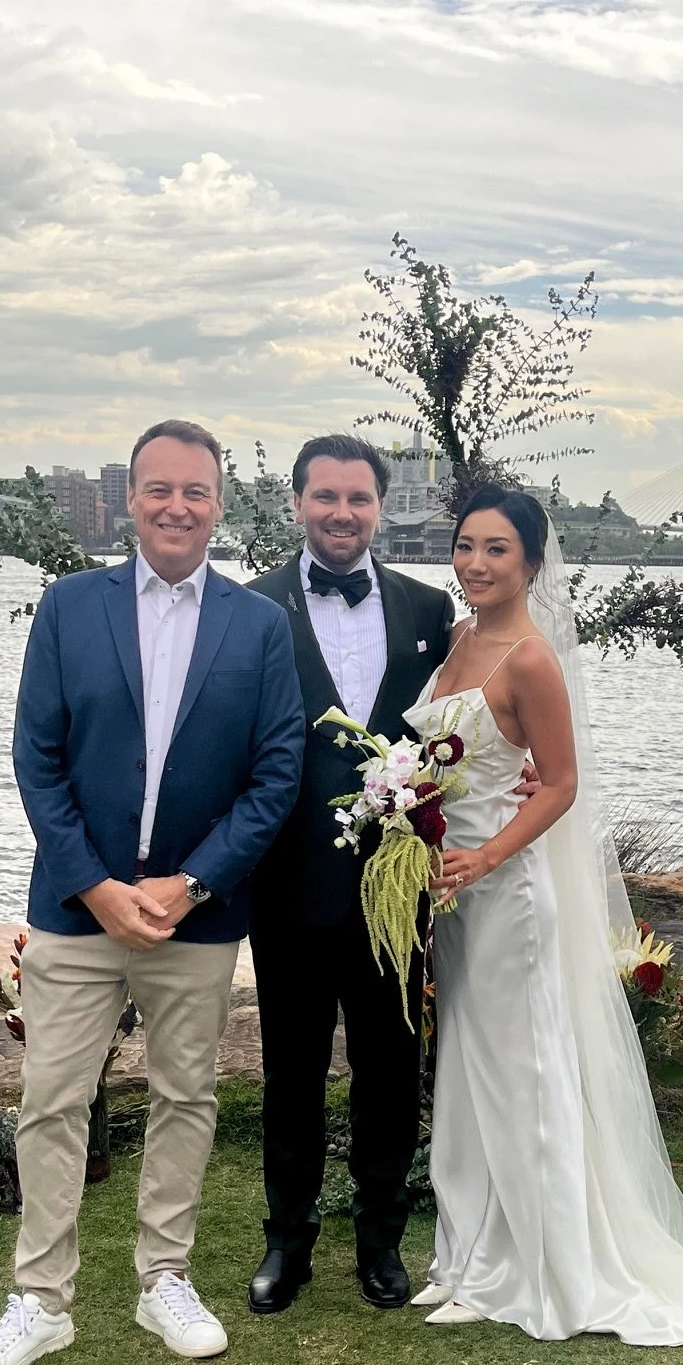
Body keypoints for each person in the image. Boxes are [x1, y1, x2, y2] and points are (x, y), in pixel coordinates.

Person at [401, 484, 683, 1344]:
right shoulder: (457, 639)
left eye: (497, 549)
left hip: (506, 896)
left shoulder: (529, 658)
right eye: (466, 545)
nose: (477, 563)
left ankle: (541, 1264)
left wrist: (486, 856)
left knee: (523, 1076)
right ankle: (471, 1255)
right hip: (452, 897)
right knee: (468, 1070)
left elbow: (561, 784)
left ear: (531, 561)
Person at [0, 420, 306, 1365]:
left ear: (220, 506)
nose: (177, 505)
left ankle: (164, 1278)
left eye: (196, 490)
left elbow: (277, 776)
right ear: (128, 499)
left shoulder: (258, 627)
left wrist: (189, 882)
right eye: (159, 488)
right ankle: (40, 1299)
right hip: (76, 910)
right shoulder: (69, 610)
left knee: (187, 1096)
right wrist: (99, 887)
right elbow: (36, 758)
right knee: (52, 1100)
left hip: (197, 916)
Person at [243, 434, 457, 1313]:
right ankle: (286, 1244)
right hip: (286, 883)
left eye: (358, 498)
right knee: (288, 1073)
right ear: (297, 503)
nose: (342, 513)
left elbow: (461, 730)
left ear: (381, 505)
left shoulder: (430, 610)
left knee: (390, 1068)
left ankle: (382, 1240)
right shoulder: (249, 609)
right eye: (325, 497)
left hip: (394, 889)